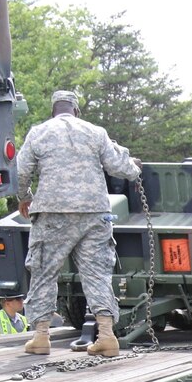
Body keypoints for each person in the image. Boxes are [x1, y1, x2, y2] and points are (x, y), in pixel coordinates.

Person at [15, 90, 142, 358]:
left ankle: (41, 337)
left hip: (53, 213)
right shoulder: (95, 132)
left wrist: (25, 197)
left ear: (54, 109)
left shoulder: (39, 132)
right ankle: (107, 337)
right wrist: (135, 167)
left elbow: (21, 171)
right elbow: (119, 166)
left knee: (43, 271)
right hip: (94, 213)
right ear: (76, 110)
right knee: (97, 274)